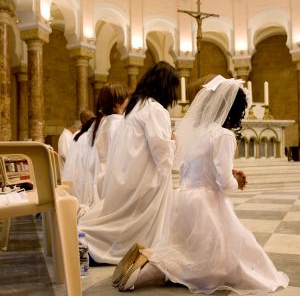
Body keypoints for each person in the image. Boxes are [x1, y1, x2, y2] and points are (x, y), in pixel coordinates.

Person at [114, 75, 289, 294]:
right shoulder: (223, 135)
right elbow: (223, 183)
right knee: (212, 265)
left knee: (191, 251)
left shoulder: (195, 132)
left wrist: (229, 174)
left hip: (184, 198)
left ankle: (150, 264)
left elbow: (192, 166)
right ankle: (151, 268)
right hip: (206, 203)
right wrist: (236, 181)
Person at [78, 61, 179, 264]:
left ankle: (84, 239)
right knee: (131, 226)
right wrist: (173, 142)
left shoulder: (135, 107)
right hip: (145, 178)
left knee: (120, 220)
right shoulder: (155, 109)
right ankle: (86, 243)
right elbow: (161, 153)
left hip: (128, 175)